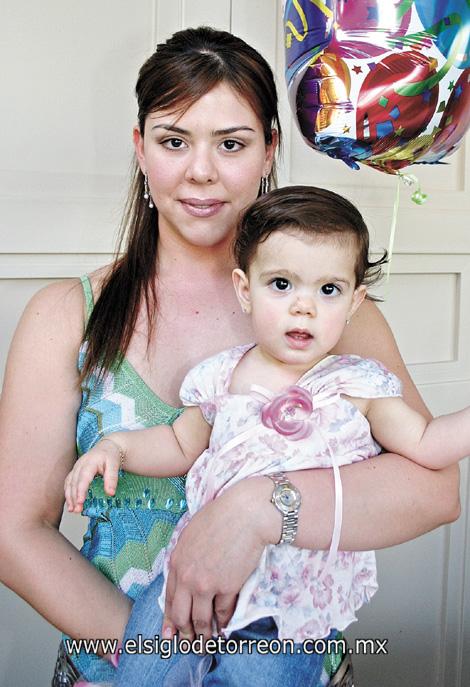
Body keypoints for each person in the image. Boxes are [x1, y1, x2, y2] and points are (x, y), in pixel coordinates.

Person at [0, 26, 459, 687]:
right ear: (140, 148)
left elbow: (435, 489)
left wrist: (258, 507)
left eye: (233, 143)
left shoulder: (326, 319)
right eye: (173, 140)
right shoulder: (66, 315)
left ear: (271, 148)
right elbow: (16, 533)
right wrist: (165, 656)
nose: (202, 171)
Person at [64, 185, 470, 686]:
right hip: (190, 583)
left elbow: (428, 442)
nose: (304, 307)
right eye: (281, 284)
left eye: (328, 290)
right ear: (245, 289)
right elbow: (178, 444)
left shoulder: (358, 385)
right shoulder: (223, 375)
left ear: (355, 300)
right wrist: (116, 447)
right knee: (145, 671)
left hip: (286, 607)